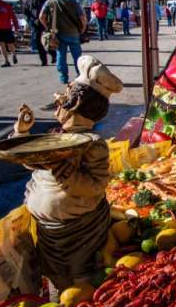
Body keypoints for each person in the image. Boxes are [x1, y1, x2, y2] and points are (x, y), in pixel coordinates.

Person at [12, 55, 123, 291]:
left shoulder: (92, 144)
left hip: (80, 232)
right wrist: (20, 134)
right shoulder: (54, 137)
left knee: (82, 281)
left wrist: (61, 169)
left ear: (75, 105)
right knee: (55, 278)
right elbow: (29, 160)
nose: (58, 102)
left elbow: (95, 186)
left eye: (63, 99)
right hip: (48, 231)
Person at [40, 0, 87, 88]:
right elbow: (83, 19)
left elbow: (41, 17)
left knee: (61, 55)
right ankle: (80, 75)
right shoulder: (74, 3)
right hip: (74, 33)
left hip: (58, 33)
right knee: (77, 57)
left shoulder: (50, 3)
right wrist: (82, 30)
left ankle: (63, 78)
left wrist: (48, 28)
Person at [23, 0, 56, 66]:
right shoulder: (27, 1)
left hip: (44, 23)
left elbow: (48, 11)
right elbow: (26, 13)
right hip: (34, 24)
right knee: (38, 43)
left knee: (47, 40)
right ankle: (44, 60)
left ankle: (53, 54)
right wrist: (29, 22)